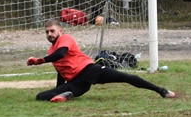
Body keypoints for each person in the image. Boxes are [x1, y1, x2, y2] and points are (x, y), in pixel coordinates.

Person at [28, 18, 176, 102]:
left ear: (60, 31)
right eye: (47, 32)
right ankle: (66, 94)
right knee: (40, 96)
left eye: (52, 31)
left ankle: (161, 90)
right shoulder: (50, 51)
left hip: (90, 71)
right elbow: (61, 72)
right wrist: (57, 90)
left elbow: (61, 53)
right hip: (79, 83)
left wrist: (40, 61)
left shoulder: (65, 39)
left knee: (126, 77)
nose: (49, 34)